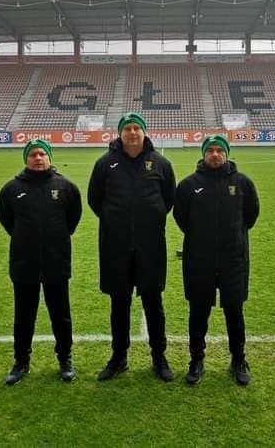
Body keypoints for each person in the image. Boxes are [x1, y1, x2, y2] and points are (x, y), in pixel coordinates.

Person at [88, 112, 176, 382]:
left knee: (153, 301)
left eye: (137, 127)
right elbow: (95, 200)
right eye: (127, 128)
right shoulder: (105, 164)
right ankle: (119, 357)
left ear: (144, 132)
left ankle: (159, 357)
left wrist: (150, 217)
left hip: (151, 246)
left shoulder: (160, 163)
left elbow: (168, 199)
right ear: (120, 133)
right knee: (119, 302)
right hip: (116, 246)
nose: (133, 132)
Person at [173, 134, 259, 386]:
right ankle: (196, 360)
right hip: (199, 260)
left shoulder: (242, 183)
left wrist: (233, 236)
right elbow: (181, 217)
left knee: (235, 312)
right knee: (198, 312)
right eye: (210, 150)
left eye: (219, 150)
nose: (215, 154)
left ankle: (238, 360)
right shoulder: (189, 185)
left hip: (234, 259)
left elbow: (250, 215)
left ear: (226, 153)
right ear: (203, 154)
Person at [0, 139, 82, 385]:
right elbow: (7, 221)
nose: (38, 158)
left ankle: (65, 359)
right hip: (25, 263)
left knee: (61, 315)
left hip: (57, 261)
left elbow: (72, 220)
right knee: (24, 315)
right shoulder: (12, 189)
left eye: (42, 154)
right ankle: (21, 362)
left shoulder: (65, 187)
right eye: (33, 154)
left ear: (49, 157)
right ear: (26, 159)